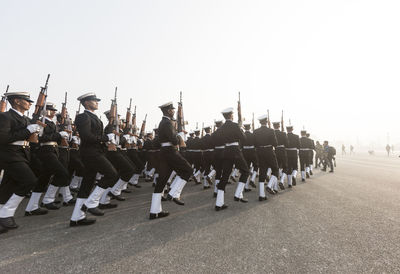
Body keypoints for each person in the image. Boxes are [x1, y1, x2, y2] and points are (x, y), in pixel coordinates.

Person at [69, 92, 119, 227]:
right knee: (112, 174)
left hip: (95, 151)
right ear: (86, 103)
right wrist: (105, 138)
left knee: (87, 183)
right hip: (90, 152)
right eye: (93, 100)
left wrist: (108, 134)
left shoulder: (94, 117)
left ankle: (76, 217)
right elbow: (86, 137)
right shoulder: (83, 117)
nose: (96, 102)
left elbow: (97, 135)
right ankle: (91, 203)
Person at [0, 92, 41, 233]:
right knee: (29, 181)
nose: (30, 103)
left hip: (23, 153)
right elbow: (4, 138)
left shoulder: (27, 119)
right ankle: (6, 213)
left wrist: (35, 134)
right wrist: (27, 131)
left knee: (7, 186)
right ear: (17, 101)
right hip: (10, 154)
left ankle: (1, 219)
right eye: (27, 100)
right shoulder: (5, 117)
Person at [150, 102, 193, 219]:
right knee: (188, 170)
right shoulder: (168, 123)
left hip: (164, 152)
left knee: (161, 181)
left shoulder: (162, 122)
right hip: (170, 151)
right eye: (172, 109)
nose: (174, 111)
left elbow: (157, 142)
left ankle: (154, 211)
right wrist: (179, 136)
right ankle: (173, 194)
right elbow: (174, 141)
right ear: (168, 111)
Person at [214, 108, 249, 210]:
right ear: (231, 115)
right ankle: (238, 194)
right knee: (246, 171)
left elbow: (214, 138)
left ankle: (219, 204)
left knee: (225, 176)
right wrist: (241, 130)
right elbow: (244, 139)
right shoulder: (235, 125)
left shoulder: (222, 127)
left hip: (226, 151)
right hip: (235, 151)